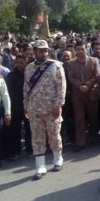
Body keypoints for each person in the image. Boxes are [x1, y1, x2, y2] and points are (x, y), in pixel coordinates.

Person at [23, 40, 66, 180]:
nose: (44, 53)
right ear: (35, 51)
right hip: (34, 109)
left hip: (51, 108)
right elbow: (26, 88)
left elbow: (61, 87)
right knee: (37, 137)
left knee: (54, 135)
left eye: (46, 50)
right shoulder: (29, 68)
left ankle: (57, 158)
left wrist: (58, 105)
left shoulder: (55, 66)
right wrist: (26, 105)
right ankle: (40, 166)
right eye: (41, 50)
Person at [67, 41, 100, 151]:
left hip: (91, 92)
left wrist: (87, 85)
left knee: (93, 117)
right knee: (79, 118)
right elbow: (71, 78)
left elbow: (97, 75)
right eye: (78, 50)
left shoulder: (94, 61)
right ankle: (80, 142)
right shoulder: (70, 63)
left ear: (86, 49)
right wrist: (80, 86)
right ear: (75, 50)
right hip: (78, 94)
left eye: (82, 49)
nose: (80, 51)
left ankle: (93, 137)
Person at [5, 55, 32, 158]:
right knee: (15, 129)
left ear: (26, 62)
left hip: (28, 105)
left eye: (21, 62)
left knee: (29, 128)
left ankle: (30, 149)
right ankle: (15, 151)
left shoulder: (30, 74)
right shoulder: (10, 76)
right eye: (17, 63)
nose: (19, 65)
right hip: (15, 106)